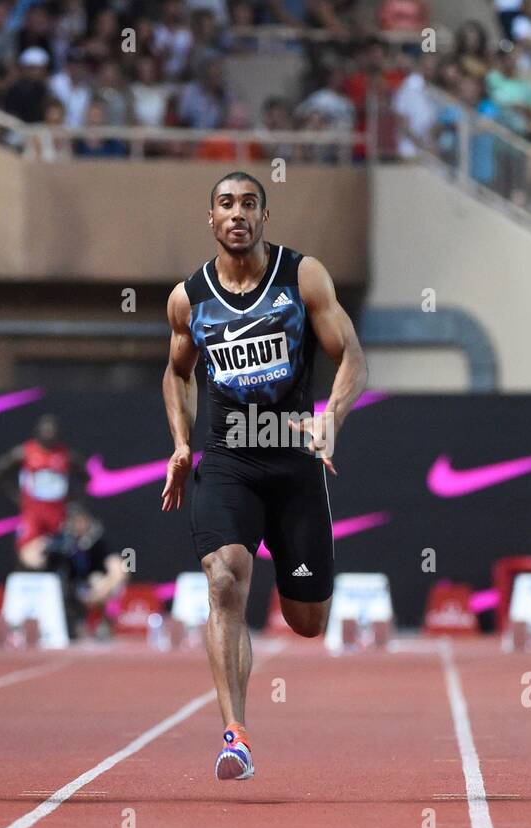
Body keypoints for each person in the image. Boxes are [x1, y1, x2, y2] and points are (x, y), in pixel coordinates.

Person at [161, 171, 367, 780]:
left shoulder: (302, 276)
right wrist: (179, 443)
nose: (238, 214)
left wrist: (331, 416)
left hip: (292, 458)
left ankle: (291, 560)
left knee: (308, 622)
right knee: (225, 576)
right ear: (212, 218)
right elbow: (177, 372)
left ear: (264, 217)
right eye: (226, 204)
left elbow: (352, 356)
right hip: (228, 460)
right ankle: (236, 734)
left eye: (249, 204)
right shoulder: (187, 298)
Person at [21, 501, 128, 638]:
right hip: (68, 589)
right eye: (73, 521)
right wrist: (41, 550)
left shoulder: (98, 541)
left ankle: (102, 622)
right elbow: (28, 556)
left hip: (94, 588)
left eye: (80, 521)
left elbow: (120, 571)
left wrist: (99, 592)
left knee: (98, 580)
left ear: (87, 520)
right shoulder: (62, 539)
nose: (77, 525)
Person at [0, 413, 72, 569]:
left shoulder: (65, 454)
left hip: (57, 514)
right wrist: (17, 496)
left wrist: (73, 500)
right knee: (26, 553)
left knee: (60, 552)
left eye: (52, 430)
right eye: (45, 430)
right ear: (37, 431)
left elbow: (85, 475)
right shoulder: (25, 451)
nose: (49, 434)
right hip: (33, 513)